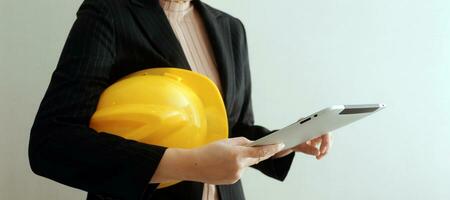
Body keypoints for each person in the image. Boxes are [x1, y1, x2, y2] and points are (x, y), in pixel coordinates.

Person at [28, 0, 332, 199]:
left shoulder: (231, 28)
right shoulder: (108, 14)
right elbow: (53, 142)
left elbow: (231, 127)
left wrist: (286, 141)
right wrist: (189, 164)